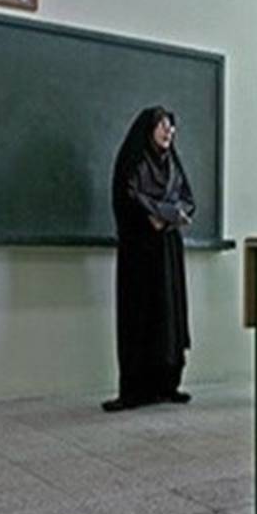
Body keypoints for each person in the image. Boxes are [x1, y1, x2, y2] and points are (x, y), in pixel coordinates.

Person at [103, 106, 195, 413]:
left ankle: (166, 385)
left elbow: (187, 201)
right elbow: (128, 199)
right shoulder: (133, 161)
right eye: (163, 126)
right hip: (139, 252)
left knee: (169, 317)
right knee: (140, 316)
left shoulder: (173, 164)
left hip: (167, 250)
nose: (169, 132)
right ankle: (134, 390)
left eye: (172, 128)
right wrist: (153, 215)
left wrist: (166, 216)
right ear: (148, 130)